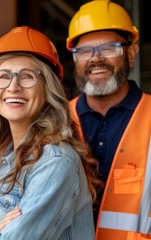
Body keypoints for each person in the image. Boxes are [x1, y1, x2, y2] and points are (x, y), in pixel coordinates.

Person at [0, 26, 99, 239]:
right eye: (3, 76)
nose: (13, 87)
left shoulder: (56, 162)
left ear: (47, 88)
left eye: (27, 76)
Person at [67, 0, 150, 238]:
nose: (95, 59)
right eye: (84, 51)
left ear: (131, 54)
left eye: (108, 48)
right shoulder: (55, 119)